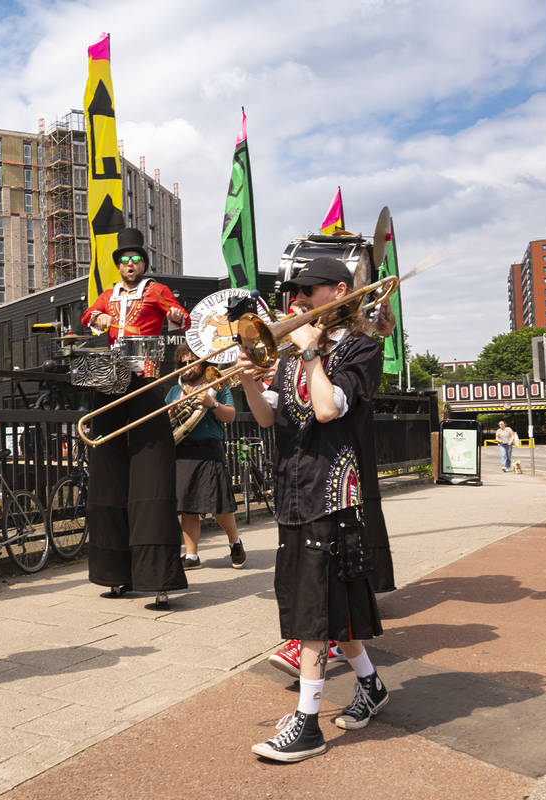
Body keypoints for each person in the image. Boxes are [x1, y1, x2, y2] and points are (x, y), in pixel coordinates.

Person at [237, 256, 389, 762]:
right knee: (329, 608)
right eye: (296, 292)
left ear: (339, 291)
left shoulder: (362, 349)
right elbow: (266, 417)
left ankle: (307, 723)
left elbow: (327, 408)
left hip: (332, 493)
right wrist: (246, 381)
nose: (298, 300)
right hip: (293, 490)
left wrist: (308, 356)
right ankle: (370, 686)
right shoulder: (289, 353)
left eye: (310, 290)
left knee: (312, 614)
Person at [80, 226, 190, 610]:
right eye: (124, 260)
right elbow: (88, 316)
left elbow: (183, 318)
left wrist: (176, 314)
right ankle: (114, 574)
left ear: (144, 263)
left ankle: (157, 576)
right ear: (119, 265)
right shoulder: (109, 294)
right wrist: (98, 320)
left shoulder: (155, 290)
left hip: (144, 374)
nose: (130, 265)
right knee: (107, 468)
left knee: (150, 469)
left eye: (136, 260)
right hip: (111, 375)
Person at [165, 343, 245, 570]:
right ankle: (191, 555)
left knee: (219, 505)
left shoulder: (217, 384)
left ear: (203, 362)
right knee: (188, 507)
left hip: (209, 450)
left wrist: (213, 403)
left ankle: (234, 542)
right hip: (182, 450)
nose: (187, 367)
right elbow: (165, 425)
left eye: (192, 362)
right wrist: (169, 413)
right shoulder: (174, 391)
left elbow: (229, 416)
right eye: (183, 364)